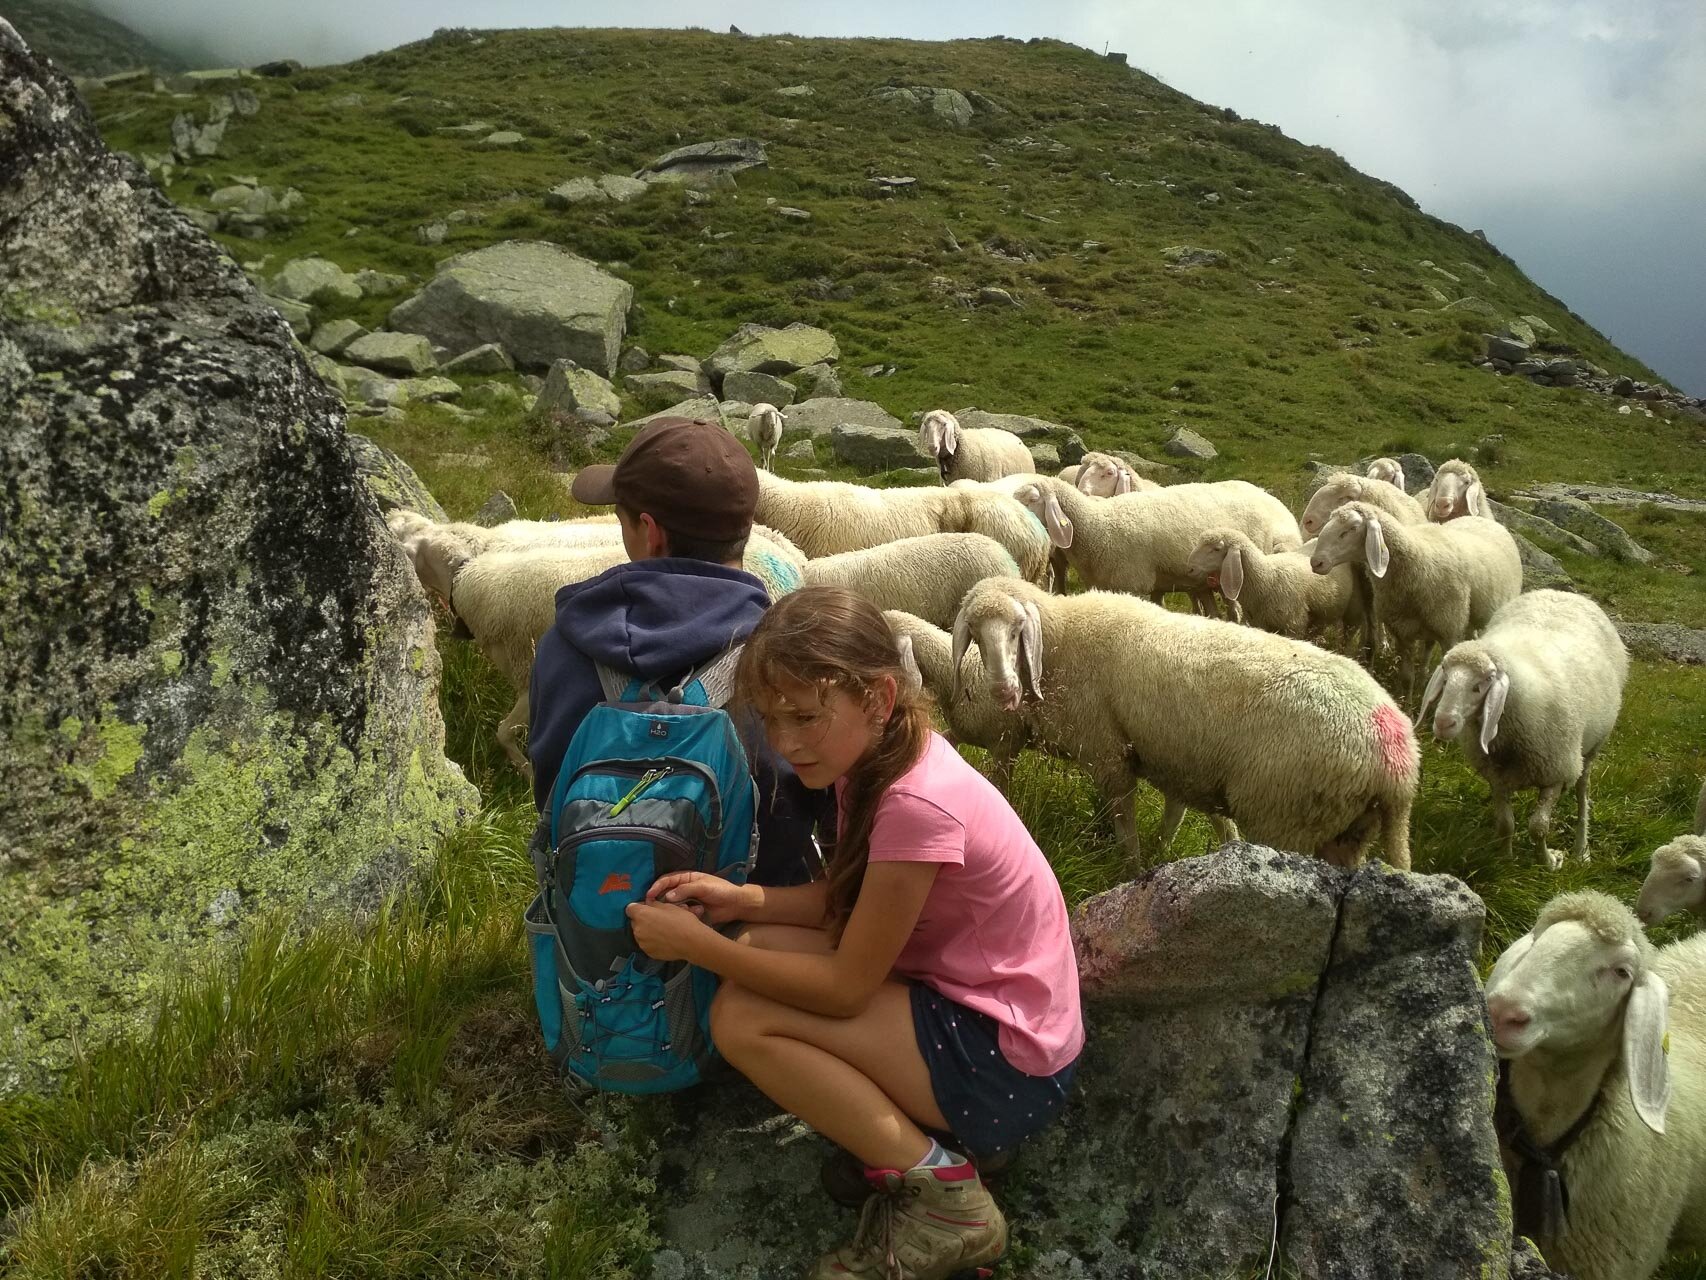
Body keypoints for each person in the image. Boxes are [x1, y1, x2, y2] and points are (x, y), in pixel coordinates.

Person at [624, 586, 1084, 1280]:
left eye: (806, 716)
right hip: (979, 1004)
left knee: (742, 1017)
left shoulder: (915, 805)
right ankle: (922, 1134)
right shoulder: (879, 759)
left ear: (878, 695)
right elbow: (849, 905)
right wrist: (741, 899)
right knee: (756, 949)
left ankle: (947, 1197)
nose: (784, 743)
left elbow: (844, 990)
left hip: (1008, 1058)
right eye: (771, 720)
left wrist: (695, 944)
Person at [527, 416, 827, 886]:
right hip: (760, 936)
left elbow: (548, 788)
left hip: (596, 927)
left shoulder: (564, 647)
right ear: (745, 525)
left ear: (650, 532)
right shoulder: (790, 653)